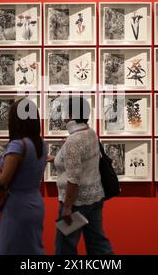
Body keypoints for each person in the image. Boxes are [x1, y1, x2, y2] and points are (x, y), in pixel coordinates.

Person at [48, 96, 113, 255]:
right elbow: (82, 162)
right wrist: (53, 159)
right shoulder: (90, 133)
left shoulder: (73, 141)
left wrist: (67, 208)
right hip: (95, 198)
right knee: (98, 245)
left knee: (65, 249)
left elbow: (74, 178)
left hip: (75, 203)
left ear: (71, 115)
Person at [0, 98, 46, 255]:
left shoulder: (17, 145)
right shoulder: (41, 144)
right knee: (33, 249)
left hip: (17, 205)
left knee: (10, 248)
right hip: (36, 202)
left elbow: (4, 179)